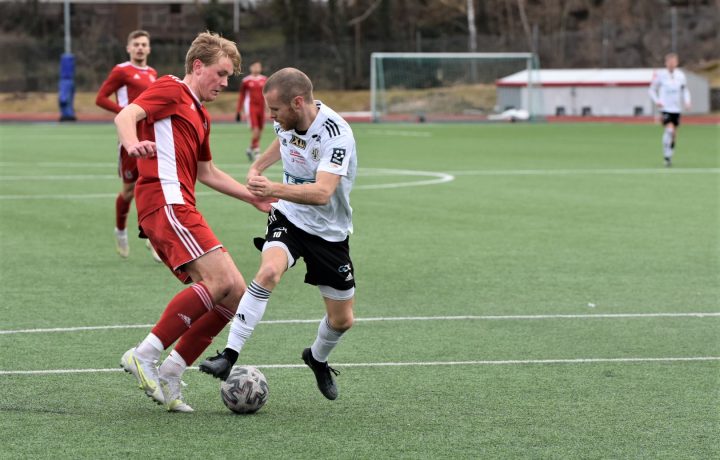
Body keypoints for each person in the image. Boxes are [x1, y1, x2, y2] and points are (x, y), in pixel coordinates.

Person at [114, 32, 274, 412]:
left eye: (229, 78)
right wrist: (132, 143)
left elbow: (208, 172)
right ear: (197, 66)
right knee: (219, 281)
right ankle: (145, 354)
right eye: (219, 74)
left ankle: (172, 370)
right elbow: (127, 115)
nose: (223, 83)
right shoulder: (170, 88)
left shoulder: (200, 114)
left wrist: (253, 197)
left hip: (181, 204)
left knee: (235, 293)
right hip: (164, 201)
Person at [200, 67, 358, 401]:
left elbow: (322, 193)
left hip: (329, 232)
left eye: (275, 110)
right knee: (269, 270)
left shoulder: (336, 133)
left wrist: (272, 186)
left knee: (342, 320)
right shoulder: (287, 120)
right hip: (289, 217)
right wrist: (258, 166)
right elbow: (282, 140)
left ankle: (316, 358)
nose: (271, 116)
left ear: (297, 103)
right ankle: (228, 355)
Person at [96, 30, 161, 261]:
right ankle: (121, 231)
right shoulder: (121, 71)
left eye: (144, 44)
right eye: (137, 44)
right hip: (128, 139)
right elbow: (101, 98)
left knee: (153, 187)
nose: (141, 48)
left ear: (149, 48)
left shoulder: (153, 74)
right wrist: (125, 113)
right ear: (129, 48)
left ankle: (153, 239)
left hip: (150, 138)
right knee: (129, 190)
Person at [648, 53, 691, 167]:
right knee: (670, 130)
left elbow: (685, 90)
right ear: (666, 63)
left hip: (676, 109)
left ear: (676, 63)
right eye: (669, 62)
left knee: (674, 135)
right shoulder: (661, 75)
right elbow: (651, 89)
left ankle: (669, 156)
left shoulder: (681, 76)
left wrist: (687, 101)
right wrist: (657, 101)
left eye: (673, 62)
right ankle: (666, 154)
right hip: (665, 108)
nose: (671, 64)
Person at [236, 61, 268, 161]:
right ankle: (257, 151)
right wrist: (239, 110)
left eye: (258, 66)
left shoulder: (264, 80)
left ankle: (250, 148)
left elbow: (267, 95)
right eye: (254, 66)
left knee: (260, 129)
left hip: (261, 108)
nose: (256, 68)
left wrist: (270, 107)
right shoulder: (246, 81)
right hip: (251, 107)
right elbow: (242, 96)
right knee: (255, 129)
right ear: (251, 68)